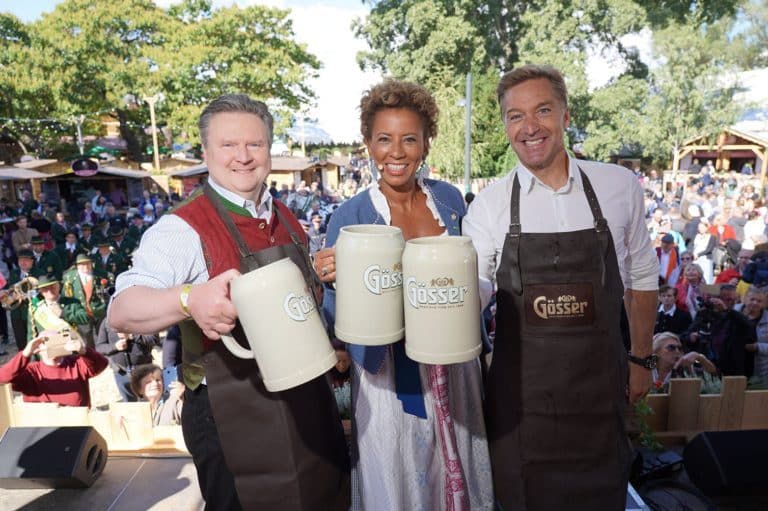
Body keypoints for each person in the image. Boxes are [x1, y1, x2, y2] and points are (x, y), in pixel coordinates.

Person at [108, 93, 349, 510]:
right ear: (206, 152)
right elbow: (122, 309)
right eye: (228, 145)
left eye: (254, 144)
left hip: (307, 406)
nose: (243, 156)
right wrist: (188, 298)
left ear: (269, 151)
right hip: (233, 416)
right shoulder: (181, 228)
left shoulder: (286, 220)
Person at [462, 64, 658, 510]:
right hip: (520, 402)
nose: (530, 127)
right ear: (505, 125)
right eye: (516, 116)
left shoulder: (618, 186)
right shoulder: (490, 205)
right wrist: (447, 298)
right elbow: (477, 283)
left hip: (599, 391)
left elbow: (643, 278)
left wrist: (641, 358)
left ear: (566, 115)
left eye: (543, 110)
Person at [314, 79, 493, 510]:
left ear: (426, 143)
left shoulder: (449, 201)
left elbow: (471, 280)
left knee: (460, 470)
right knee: (399, 483)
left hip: (453, 365)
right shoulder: (351, 214)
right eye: (384, 139)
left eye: (409, 139)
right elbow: (338, 315)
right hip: (387, 377)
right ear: (368, 144)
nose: (396, 152)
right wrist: (332, 280)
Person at [0, 332, 108, 407]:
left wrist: (84, 351)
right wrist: (25, 354)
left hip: (76, 422)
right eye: (46, 342)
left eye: (55, 341)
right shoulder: (31, 371)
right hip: (43, 426)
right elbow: (3, 378)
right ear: (38, 348)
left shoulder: (75, 363)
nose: (51, 346)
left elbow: (102, 364)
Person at [651, 332, 718, 393]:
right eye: (671, 347)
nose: (677, 351)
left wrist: (700, 357)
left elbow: (714, 375)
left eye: (680, 348)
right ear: (656, 351)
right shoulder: (644, 371)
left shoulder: (685, 370)